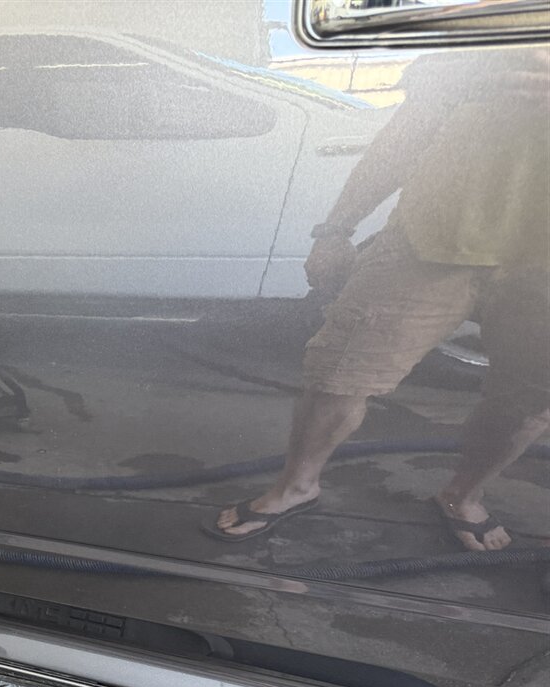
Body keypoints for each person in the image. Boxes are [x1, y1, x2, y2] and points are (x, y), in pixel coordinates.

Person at [211, 49, 550, 551]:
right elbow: (404, 138)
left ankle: (463, 495)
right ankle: (296, 487)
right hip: (430, 239)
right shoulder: (488, 35)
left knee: (530, 401)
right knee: (339, 373)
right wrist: (335, 229)